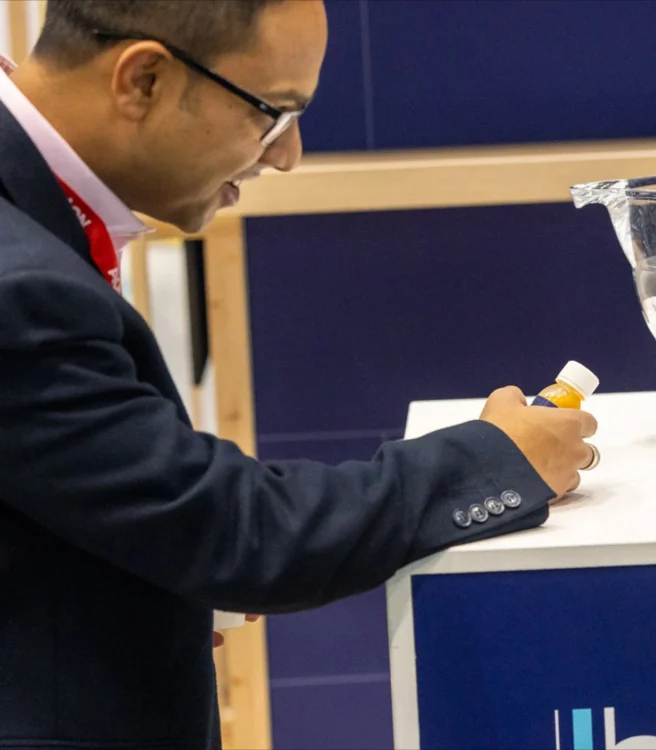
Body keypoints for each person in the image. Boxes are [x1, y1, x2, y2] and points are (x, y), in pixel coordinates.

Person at [0, 1, 598, 748]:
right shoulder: (20, 284)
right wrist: (498, 458)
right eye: (272, 113)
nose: (286, 156)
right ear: (143, 79)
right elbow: (230, 530)